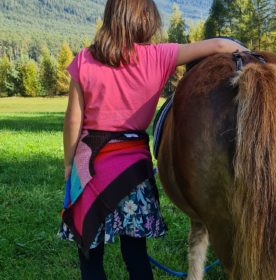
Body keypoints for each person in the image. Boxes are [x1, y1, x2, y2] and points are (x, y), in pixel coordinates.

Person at [57, 0, 248, 279]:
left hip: (89, 171)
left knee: (90, 256)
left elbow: (73, 119)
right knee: (135, 255)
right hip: (132, 172)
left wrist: (68, 165)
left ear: (111, 17)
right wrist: (246, 51)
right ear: (146, 20)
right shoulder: (158, 56)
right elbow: (219, 46)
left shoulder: (84, 60)